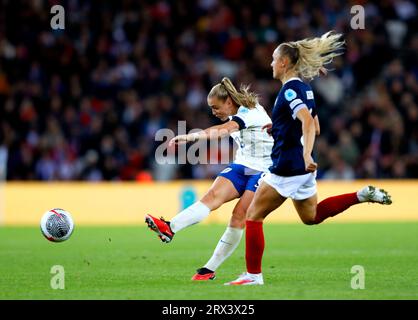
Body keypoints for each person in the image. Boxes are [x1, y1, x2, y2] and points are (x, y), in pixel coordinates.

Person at [225, 31, 392, 286]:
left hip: (288, 165)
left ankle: (253, 276)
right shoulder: (305, 88)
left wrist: (303, 152)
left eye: (273, 59)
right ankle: (360, 196)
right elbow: (316, 126)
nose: (270, 63)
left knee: (253, 215)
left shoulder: (291, 91)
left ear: (283, 63)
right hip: (303, 168)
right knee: (311, 216)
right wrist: (280, 129)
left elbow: (306, 122)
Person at [145, 77, 275, 281]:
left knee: (239, 215)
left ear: (229, 102)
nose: (213, 112)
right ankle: (170, 227)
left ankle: (209, 269)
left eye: (216, 107)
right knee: (212, 195)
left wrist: (190, 137)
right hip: (242, 165)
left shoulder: (249, 113)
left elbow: (223, 131)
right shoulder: (237, 113)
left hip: (265, 170)